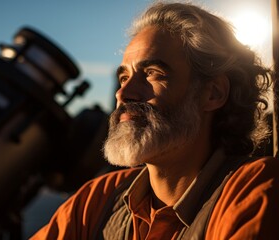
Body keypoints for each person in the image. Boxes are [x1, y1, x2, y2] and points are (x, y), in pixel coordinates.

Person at [31, 2, 279, 239]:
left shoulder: (253, 189)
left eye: (152, 73)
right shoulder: (96, 199)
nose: (123, 93)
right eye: (124, 77)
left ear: (213, 93)